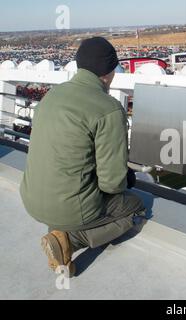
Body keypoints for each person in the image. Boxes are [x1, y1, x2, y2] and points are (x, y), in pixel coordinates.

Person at [20, 37, 145, 277]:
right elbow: (111, 183)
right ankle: (71, 240)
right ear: (109, 72)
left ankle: (61, 232)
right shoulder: (108, 108)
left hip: (31, 199)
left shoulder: (52, 95)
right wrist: (125, 177)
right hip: (67, 210)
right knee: (136, 208)